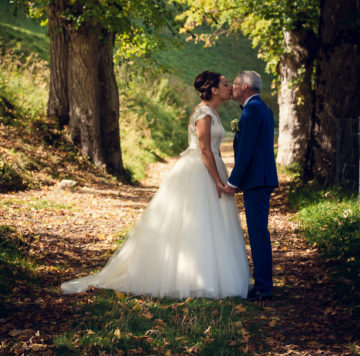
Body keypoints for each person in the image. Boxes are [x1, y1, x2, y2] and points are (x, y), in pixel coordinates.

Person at [61, 70, 250, 299]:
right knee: (196, 220)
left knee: (211, 222)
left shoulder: (214, 112)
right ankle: (189, 277)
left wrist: (223, 173)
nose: (230, 88)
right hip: (198, 170)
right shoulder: (203, 113)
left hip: (212, 167)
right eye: (226, 84)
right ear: (213, 88)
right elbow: (204, 150)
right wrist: (218, 181)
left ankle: (207, 275)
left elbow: (214, 148)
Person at [225, 71, 279, 301]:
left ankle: (264, 287)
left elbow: (246, 151)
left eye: (235, 84)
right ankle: (263, 283)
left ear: (245, 86)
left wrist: (232, 182)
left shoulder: (253, 110)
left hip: (257, 180)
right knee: (258, 231)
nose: (233, 87)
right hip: (260, 178)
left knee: (258, 233)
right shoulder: (259, 107)